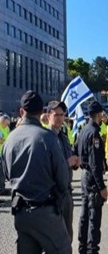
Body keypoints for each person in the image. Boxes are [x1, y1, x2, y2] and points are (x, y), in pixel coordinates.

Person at [2, 91, 71, 254]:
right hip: (45, 210)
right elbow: (62, 178)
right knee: (63, 249)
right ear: (42, 113)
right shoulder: (47, 138)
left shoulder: (10, 139)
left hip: (21, 213)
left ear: (21, 112)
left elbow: (6, 174)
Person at [76, 101, 108, 254]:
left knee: (84, 214)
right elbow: (95, 163)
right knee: (94, 217)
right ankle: (92, 249)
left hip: (84, 176)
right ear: (98, 114)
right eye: (102, 113)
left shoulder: (83, 130)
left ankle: (82, 247)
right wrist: (102, 187)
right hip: (92, 178)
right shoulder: (94, 133)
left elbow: (75, 150)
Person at [47, 100, 80, 240]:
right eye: (56, 115)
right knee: (54, 237)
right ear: (48, 115)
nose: (60, 117)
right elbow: (47, 166)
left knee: (68, 235)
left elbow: (69, 158)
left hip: (67, 192)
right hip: (53, 195)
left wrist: (76, 162)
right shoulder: (45, 138)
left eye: (62, 114)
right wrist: (67, 163)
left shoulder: (64, 137)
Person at [0, 114, 10, 195]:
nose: (7, 125)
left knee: (3, 173)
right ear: (2, 122)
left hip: (3, 154)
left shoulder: (6, 128)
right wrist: (7, 142)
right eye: (6, 123)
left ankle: (2, 189)